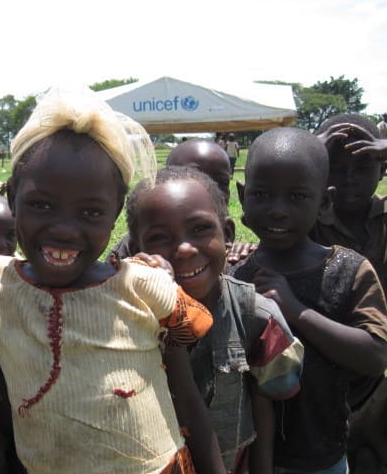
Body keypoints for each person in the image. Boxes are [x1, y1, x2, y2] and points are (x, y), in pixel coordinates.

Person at [0, 88, 224, 474]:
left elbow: (194, 330)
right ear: (13, 197)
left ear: (115, 212)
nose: (65, 230)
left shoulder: (139, 286)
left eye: (90, 211)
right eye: (42, 205)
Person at [125, 165, 304, 473]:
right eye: (159, 237)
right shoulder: (122, 320)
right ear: (135, 249)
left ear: (229, 234)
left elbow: (266, 404)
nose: (183, 249)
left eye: (200, 229)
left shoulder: (255, 315)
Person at [229, 127, 387, 473]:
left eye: (298, 197)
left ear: (325, 202)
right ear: (242, 196)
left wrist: (297, 311)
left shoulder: (349, 271)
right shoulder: (233, 274)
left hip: (322, 456)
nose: (278, 210)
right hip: (244, 455)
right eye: (262, 195)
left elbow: (375, 355)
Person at [312, 113, 387, 473]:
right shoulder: (307, 218)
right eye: (336, 168)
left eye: (363, 166)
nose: (349, 179)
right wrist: (312, 153)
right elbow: (270, 198)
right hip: (324, 369)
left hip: (377, 368)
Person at [109, 137, 234, 260]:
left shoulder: (237, 257)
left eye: (221, 182)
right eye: (159, 237)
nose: (209, 189)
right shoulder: (127, 254)